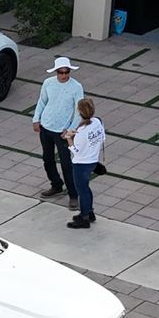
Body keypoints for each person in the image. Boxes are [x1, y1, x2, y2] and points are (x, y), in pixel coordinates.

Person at [31, 56, 85, 209]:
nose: (63, 75)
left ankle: (74, 195)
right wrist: (36, 119)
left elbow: (79, 110)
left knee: (67, 164)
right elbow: (42, 101)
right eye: (60, 72)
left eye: (66, 72)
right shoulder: (48, 83)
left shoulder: (76, 87)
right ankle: (56, 185)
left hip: (63, 131)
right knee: (47, 159)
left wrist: (70, 130)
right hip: (46, 127)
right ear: (56, 72)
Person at [64, 98, 106, 229]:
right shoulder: (97, 122)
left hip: (81, 164)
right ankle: (89, 212)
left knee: (82, 191)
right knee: (86, 188)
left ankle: (84, 218)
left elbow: (76, 151)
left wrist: (69, 139)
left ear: (79, 112)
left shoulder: (82, 131)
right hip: (93, 160)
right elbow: (103, 138)